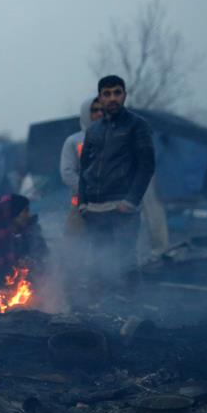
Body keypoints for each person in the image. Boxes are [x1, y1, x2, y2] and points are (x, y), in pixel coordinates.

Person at [78, 75, 156, 290]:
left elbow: (146, 166)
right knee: (99, 263)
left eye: (117, 93)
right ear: (100, 98)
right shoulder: (93, 130)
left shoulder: (137, 125)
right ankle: (102, 315)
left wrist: (131, 201)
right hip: (94, 208)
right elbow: (84, 168)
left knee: (125, 262)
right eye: (107, 94)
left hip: (122, 206)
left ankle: (132, 309)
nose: (112, 98)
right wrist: (82, 204)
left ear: (124, 95)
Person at [60, 97, 103, 235]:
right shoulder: (73, 141)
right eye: (94, 110)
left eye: (102, 109)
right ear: (85, 113)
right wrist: (87, 190)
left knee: (106, 243)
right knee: (76, 242)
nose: (99, 113)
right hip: (80, 202)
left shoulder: (114, 138)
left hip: (109, 202)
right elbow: (67, 172)